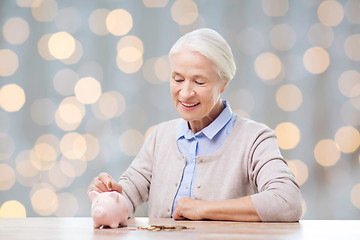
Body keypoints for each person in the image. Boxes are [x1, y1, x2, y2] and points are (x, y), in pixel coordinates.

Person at [88, 28, 303, 222]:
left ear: (224, 84)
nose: (185, 93)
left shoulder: (255, 139)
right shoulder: (160, 136)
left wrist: (204, 209)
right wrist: (112, 194)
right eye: (178, 79)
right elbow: (129, 193)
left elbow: (287, 201)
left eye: (199, 82)